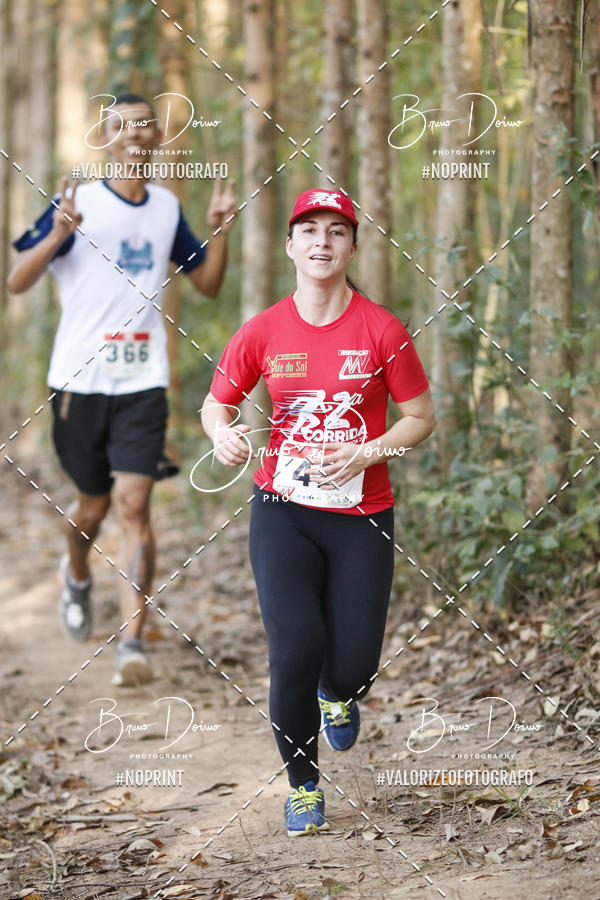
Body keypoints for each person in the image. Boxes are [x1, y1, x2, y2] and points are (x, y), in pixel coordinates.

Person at [201, 189, 435, 836]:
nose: (322, 241)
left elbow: (421, 418)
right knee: (294, 649)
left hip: (363, 514)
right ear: (290, 246)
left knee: (353, 665)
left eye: (336, 231)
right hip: (283, 510)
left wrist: (367, 451)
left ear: (352, 248)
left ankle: (338, 694)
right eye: (309, 230)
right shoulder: (263, 330)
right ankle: (303, 785)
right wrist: (221, 434)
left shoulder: (382, 330)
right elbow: (216, 403)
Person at [7, 93, 237, 687]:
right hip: (78, 384)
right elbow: (17, 281)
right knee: (93, 508)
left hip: (143, 381)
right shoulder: (77, 201)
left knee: (134, 505)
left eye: (144, 126)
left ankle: (131, 644)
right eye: (121, 126)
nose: (134, 134)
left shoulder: (166, 207)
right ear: (106, 137)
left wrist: (220, 231)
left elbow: (208, 284)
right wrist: (57, 232)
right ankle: (77, 571)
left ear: (157, 137)